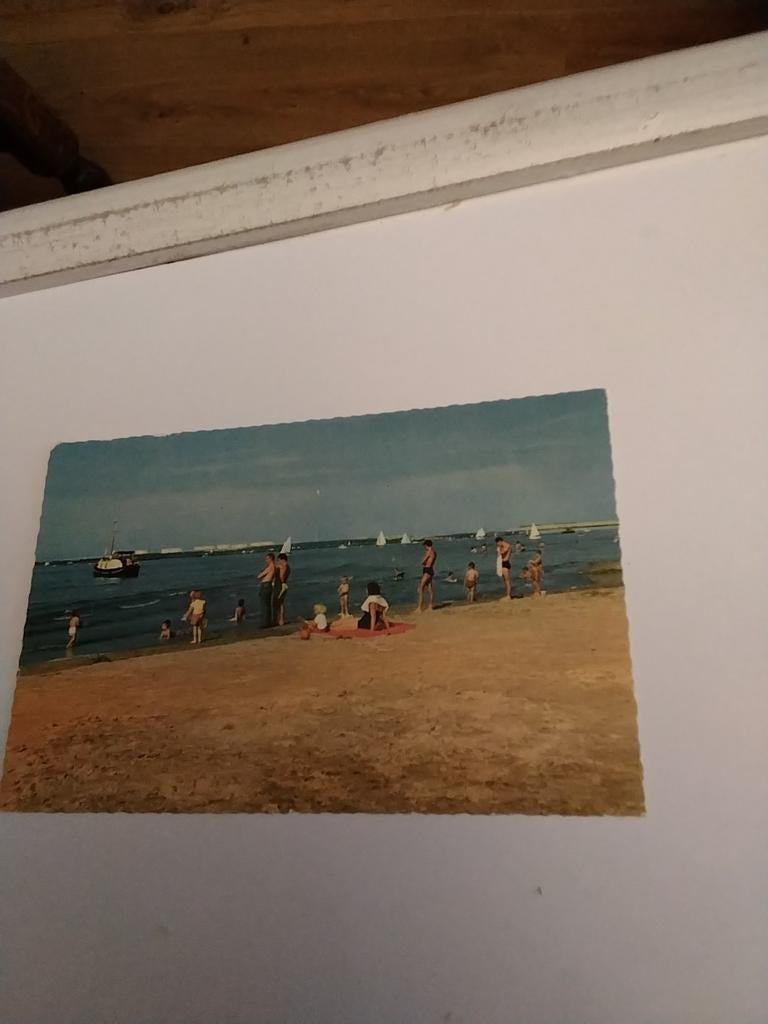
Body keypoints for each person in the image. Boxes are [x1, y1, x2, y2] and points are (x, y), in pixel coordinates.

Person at [257, 552, 278, 628]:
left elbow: (259, 576)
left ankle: (265, 623)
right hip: (269, 585)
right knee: (267, 605)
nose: (266, 560)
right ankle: (267, 622)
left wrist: (262, 571)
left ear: (270, 559)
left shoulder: (270, 567)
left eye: (267, 558)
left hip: (265, 585)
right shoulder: (274, 567)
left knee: (264, 605)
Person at [417, 539, 437, 611]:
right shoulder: (434, 552)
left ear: (426, 545)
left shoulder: (429, 551)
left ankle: (419, 607)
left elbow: (423, 561)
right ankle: (430, 606)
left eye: (424, 546)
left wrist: (422, 561)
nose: (424, 547)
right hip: (429, 569)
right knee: (430, 589)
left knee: (420, 587)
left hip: (427, 570)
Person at [496, 535, 513, 599]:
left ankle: (509, 595)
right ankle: (507, 594)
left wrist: (499, 548)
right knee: (504, 581)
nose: (497, 544)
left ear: (500, 541)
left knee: (507, 580)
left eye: (498, 543)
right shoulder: (501, 546)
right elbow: (498, 555)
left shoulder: (507, 545)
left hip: (505, 563)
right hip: (502, 563)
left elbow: (502, 553)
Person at [276, 553, 291, 626]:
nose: (278, 562)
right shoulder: (288, 567)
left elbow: (281, 576)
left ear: (282, 560)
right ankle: (281, 619)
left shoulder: (283, 567)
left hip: (281, 585)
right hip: (285, 585)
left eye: (279, 560)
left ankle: (280, 619)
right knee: (280, 603)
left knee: (279, 603)